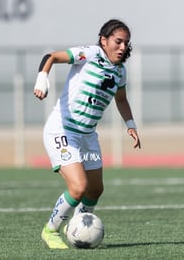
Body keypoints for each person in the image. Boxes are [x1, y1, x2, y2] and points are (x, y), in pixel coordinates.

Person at [34, 19, 141, 249]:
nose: (123, 47)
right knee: (78, 187)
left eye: (126, 43)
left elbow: (121, 99)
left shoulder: (120, 71)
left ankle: (76, 225)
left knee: (95, 189)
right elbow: (51, 57)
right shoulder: (90, 54)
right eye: (118, 41)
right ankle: (50, 230)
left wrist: (130, 124)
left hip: (87, 135)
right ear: (104, 40)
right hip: (62, 130)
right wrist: (42, 77)